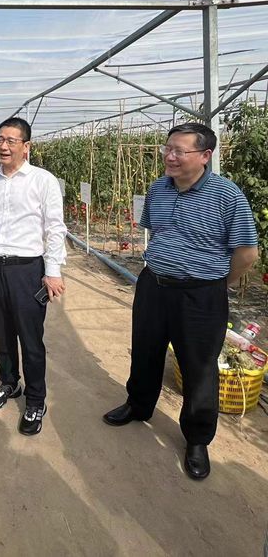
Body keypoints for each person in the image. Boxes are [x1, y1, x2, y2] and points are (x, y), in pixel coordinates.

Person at [103, 123, 258, 480]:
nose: (170, 157)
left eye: (179, 151)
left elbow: (247, 254)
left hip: (201, 294)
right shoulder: (158, 189)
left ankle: (197, 439)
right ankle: (138, 405)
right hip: (154, 286)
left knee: (198, 367)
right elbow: (156, 232)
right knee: (145, 350)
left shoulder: (227, 195)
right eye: (167, 149)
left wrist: (215, 284)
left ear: (205, 156)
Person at [0, 117, 67, 435]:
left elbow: (55, 228)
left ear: (26, 147)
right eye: (0, 139)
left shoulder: (42, 181)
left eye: (11, 140)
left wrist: (52, 271)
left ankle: (36, 399)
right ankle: (9, 382)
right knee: (2, 333)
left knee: (30, 338)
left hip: (27, 270)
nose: (3, 145)